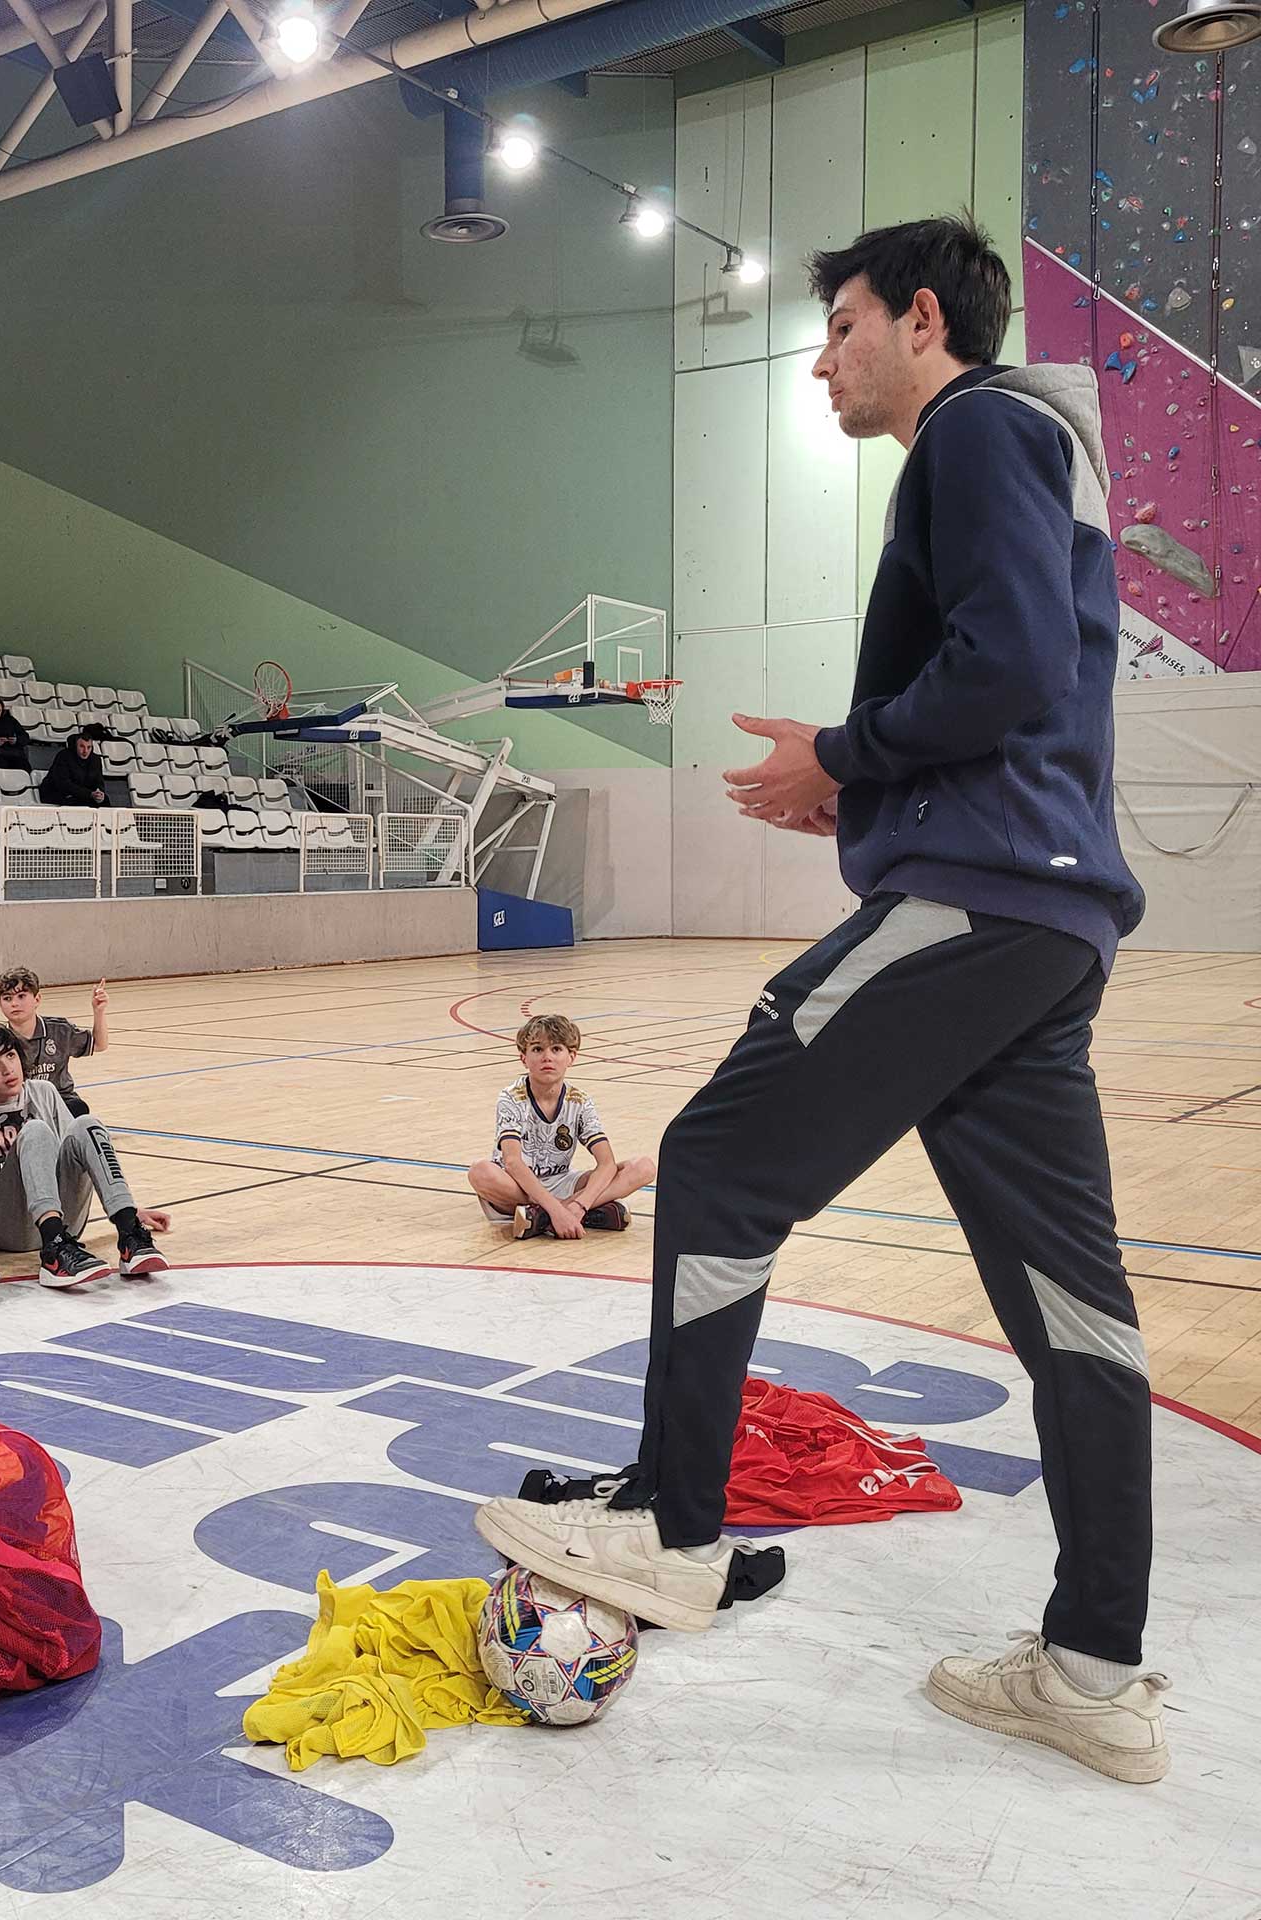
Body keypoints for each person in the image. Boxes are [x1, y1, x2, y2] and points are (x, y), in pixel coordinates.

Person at [473, 216, 1166, 1786]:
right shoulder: (1044, 446)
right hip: (1049, 925)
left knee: (718, 1160)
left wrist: (845, 760)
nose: (822, 355)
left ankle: (671, 1526)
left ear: (922, 319)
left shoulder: (980, 428)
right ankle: (1094, 1667)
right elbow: (1020, 681)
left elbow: (1010, 668)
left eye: (842, 323)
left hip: (978, 902)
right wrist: (856, 789)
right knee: (1075, 1306)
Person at [0, 1024, 170, 1288]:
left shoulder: (42, 1092)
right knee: (35, 1130)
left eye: (10, 1055)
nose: (7, 1069)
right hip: (4, 1225)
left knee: (87, 1124)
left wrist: (130, 1208)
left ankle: (130, 1235)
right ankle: (53, 1251)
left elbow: (80, 1148)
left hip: (64, 1218)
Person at [466, 1014, 655, 1240]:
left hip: (563, 1181)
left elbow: (606, 1164)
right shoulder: (511, 1097)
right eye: (537, 1049)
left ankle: (540, 1217)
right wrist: (558, 1210)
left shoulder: (579, 1101)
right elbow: (513, 1162)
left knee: (644, 1167)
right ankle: (565, 1213)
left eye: (556, 1049)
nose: (547, 1057)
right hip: (518, 1186)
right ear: (523, 1058)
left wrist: (578, 1206)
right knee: (480, 1172)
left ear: (571, 1057)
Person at [0, 966, 107, 1117]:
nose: (14, 1003)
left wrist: (99, 1012)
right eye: (7, 998)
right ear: (0, 1004)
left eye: (21, 996)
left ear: (37, 999)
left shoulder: (60, 1030)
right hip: (20, 1103)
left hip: (61, 1100)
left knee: (78, 1109)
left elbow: (99, 1044)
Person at [39, 730, 108, 809]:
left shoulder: (95, 759)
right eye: (82, 746)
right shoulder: (63, 756)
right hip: (57, 793)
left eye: (89, 747)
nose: (85, 751)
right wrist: (89, 794)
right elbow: (64, 784)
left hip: (83, 794)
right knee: (81, 802)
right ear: (75, 746)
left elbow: (99, 781)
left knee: (104, 800)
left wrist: (100, 793)